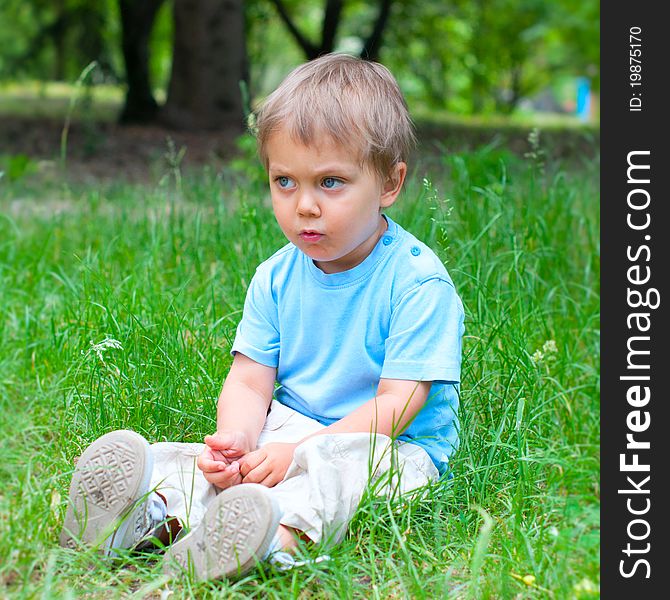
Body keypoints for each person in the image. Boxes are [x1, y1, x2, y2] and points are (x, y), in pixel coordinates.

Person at [60, 53, 465, 582]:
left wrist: (298, 451)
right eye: (285, 182)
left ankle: (275, 539)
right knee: (188, 461)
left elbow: (395, 407)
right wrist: (238, 440)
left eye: (331, 183)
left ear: (389, 183)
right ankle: (151, 514)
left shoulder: (418, 284)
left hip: (392, 446)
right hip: (291, 425)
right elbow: (251, 384)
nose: (305, 206)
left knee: (334, 478)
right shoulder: (275, 276)